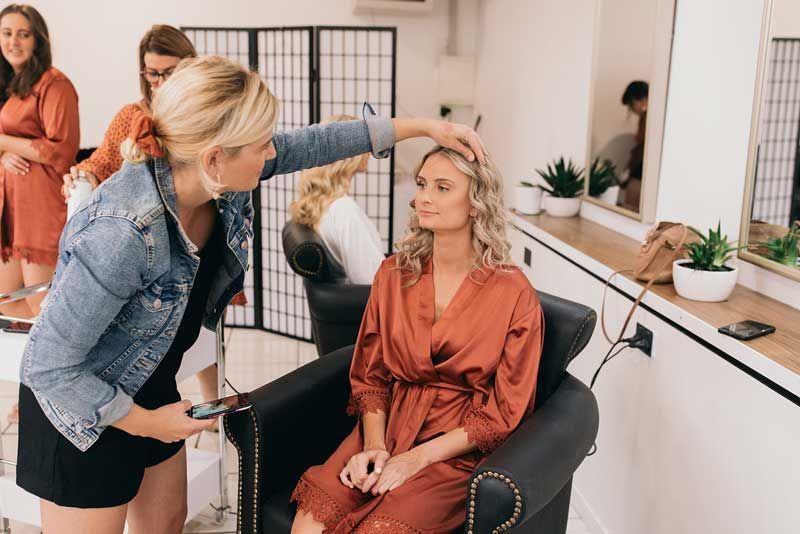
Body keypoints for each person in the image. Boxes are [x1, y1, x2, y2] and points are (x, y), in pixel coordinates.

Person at [17, 55, 486, 533]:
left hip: (149, 387)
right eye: (262, 145)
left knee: (165, 523)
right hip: (82, 411)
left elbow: (313, 143)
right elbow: (48, 365)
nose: (272, 154)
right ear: (215, 157)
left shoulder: (213, 180)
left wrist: (425, 127)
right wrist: (147, 423)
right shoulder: (122, 233)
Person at [291, 146, 544, 533]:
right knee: (308, 527)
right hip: (388, 427)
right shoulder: (394, 274)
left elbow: (504, 413)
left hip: (453, 450)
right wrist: (374, 446)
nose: (424, 196)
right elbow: (371, 375)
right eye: (423, 184)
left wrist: (418, 459)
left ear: (476, 202)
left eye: (443, 188)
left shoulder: (514, 294)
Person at [61, 24, 225, 424]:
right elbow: (99, 163)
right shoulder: (133, 116)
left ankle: (214, 408)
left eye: (170, 72)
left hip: (198, 243)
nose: (160, 82)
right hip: (150, 257)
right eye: (153, 73)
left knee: (204, 335)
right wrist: (80, 176)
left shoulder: (207, 120)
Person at [0, 4, 79, 319]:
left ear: (38, 40)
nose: (13, 42)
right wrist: (6, 152)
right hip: (11, 211)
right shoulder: (13, 86)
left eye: (23, 34)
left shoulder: (54, 84)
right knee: (5, 304)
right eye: (6, 33)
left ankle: (54, 364)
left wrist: (4, 142)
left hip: (40, 208)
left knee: (42, 306)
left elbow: (61, 151)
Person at [289, 114, 384, 284]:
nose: (370, 151)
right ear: (347, 151)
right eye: (366, 142)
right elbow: (373, 280)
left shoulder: (324, 206)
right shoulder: (343, 210)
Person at [620, 80, 648, 210]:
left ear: (643, 99)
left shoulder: (648, 118)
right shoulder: (646, 118)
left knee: (631, 205)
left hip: (640, 173)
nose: (631, 109)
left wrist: (629, 170)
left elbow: (643, 148)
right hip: (639, 172)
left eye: (631, 104)